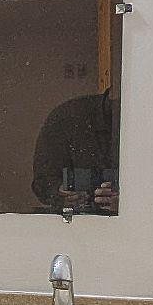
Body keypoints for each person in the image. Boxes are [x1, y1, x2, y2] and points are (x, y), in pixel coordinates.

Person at [31, 87, 119, 215]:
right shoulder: (68, 119)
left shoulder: (151, 122)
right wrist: (60, 194)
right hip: (75, 228)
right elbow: (43, 183)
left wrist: (129, 204)